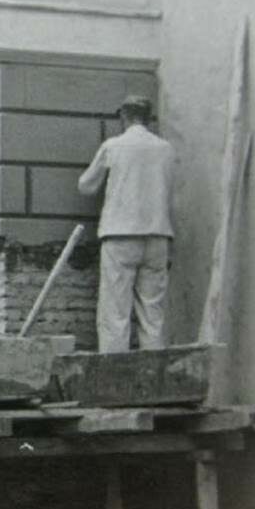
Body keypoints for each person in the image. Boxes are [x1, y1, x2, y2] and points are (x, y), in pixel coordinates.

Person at [78, 94, 176, 353]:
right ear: (148, 118)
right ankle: (155, 369)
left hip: (120, 234)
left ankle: (113, 370)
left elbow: (86, 186)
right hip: (158, 235)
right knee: (153, 312)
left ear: (124, 116)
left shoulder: (113, 146)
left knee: (115, 311)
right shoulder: (166, 149)